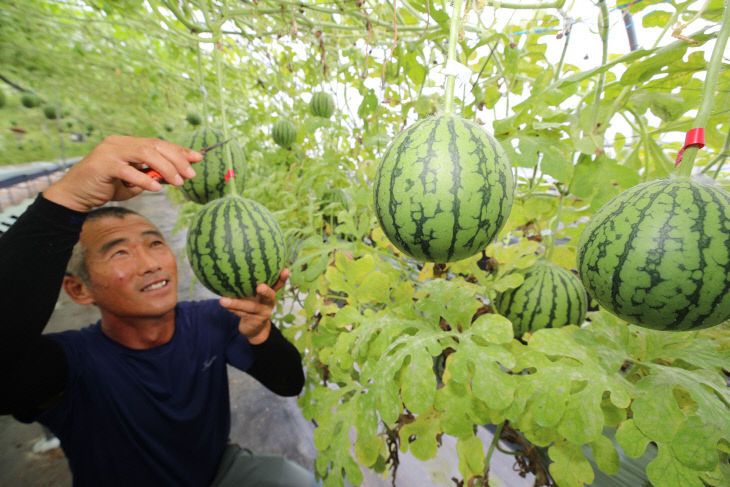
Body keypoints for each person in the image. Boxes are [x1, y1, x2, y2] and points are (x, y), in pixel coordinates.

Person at [0, 136, 316, 487]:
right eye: (120, 252)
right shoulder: (68, 364)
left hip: (217, 471)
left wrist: (261, 334)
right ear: (78, 288)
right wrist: (63, 202)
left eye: (155, 243)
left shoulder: (212, 320)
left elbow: (290, 383)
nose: (150, 263)